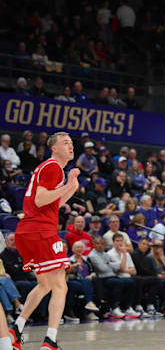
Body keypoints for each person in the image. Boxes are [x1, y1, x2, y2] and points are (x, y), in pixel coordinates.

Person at [10, 132, 81, 350]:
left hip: (28, 231)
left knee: (45, 284)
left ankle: (16, 329)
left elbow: (53, 203)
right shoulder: (53, 167)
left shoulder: (52, 170)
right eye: (65, 143)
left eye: (71, 143)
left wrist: (71, 186)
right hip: (41, 231)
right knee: (61, 286)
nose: (70, 146)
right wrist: (66, 185)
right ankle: (50, 341)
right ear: (54, 148)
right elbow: (41, 199)